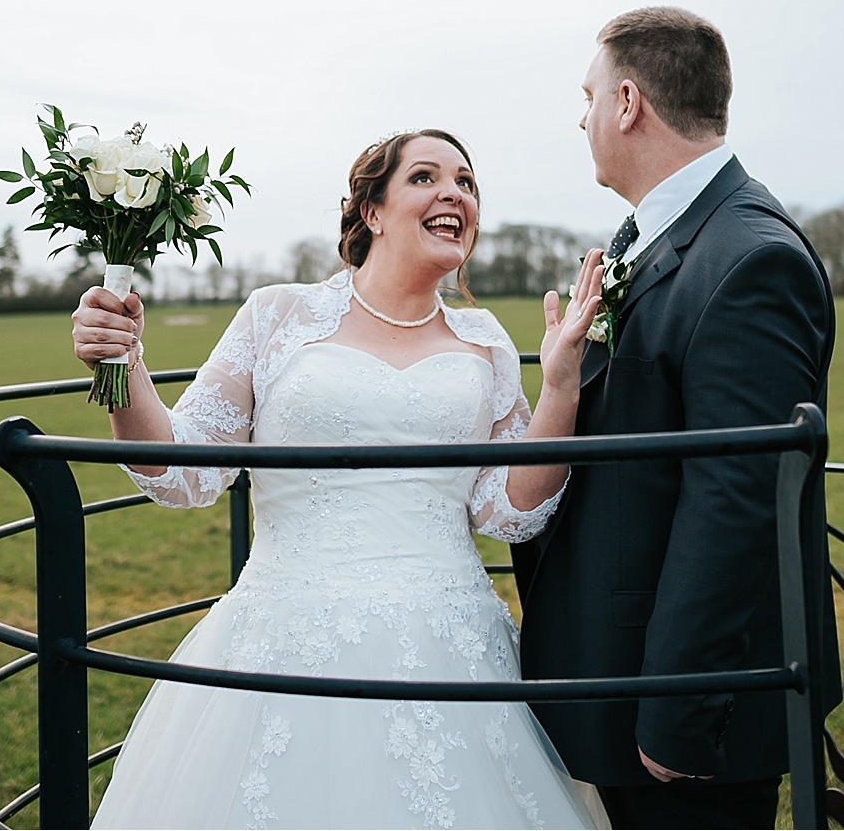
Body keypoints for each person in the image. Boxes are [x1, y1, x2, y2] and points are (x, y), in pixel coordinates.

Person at [75, 129, 612, 830]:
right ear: (372, 211)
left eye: (466, 182)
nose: (453, 191)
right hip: (282, 643)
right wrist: (124, 367)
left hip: (451, 651)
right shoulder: (277, 315)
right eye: (425, 177)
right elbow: (182, 471)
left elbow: (509, 511)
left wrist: (561, 386)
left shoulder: (484, 342)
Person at [511, 7, 841, 831]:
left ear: (627, 103)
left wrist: (679, 712)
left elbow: (738, 499)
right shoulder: (653, 238)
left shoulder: (749, 258)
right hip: (617, 672)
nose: (580, 117)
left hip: (679, 714)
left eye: (586, 96)